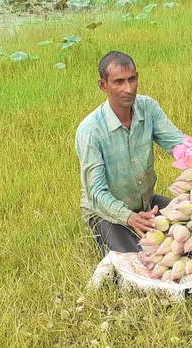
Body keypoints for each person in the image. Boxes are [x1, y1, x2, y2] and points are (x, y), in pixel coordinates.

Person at [75, 51, 184, 255]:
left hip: (145, 204)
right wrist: (129, 217)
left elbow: (177, 144)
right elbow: (96, 194)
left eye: (132, 79)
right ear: (103, 85)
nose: (128, 88)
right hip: (105, 213)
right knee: (137, 259)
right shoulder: (90, 131)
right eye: (118, 82)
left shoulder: (147, 107)